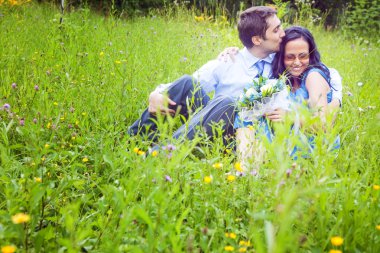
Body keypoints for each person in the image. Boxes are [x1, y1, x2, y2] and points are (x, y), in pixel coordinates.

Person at [128, 6, 285, 144]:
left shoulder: (286, 59)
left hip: (246, 136)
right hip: (216, 126)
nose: (283, 33)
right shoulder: (229, 60)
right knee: (187, 83)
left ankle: (160, 152)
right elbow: (194, 82)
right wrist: (156, 93)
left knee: (228, 103)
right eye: (276, 30)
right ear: (257, 40)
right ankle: (134, 140)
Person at [235, 26, 342, 169]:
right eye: (290, 57)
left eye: (303, 56)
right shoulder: (284, 80)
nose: (297, 62)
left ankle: (247, 167)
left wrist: (291, 117)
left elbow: (323, 125)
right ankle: (246, 166)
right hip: (288, 141)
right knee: (247, 110)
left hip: (311, 146)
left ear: (310, 54)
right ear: (281, 57)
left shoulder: (313, 77)